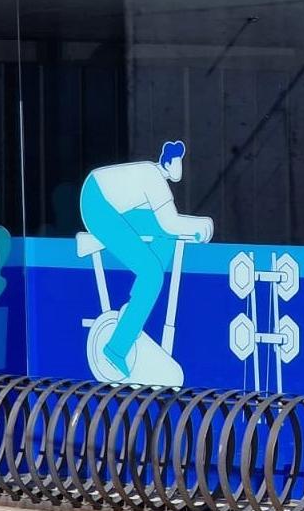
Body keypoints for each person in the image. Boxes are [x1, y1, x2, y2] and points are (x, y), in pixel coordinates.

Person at [79, 141, 213, 379]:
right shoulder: (155, 179)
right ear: (168, 163)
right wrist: (199, 225)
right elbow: (170, 222)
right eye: (177, 162)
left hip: (110, 204)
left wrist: (193, 228)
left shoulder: (154, 176)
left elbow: (167, 226)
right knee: (152, 275)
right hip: (98, 205)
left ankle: (135, 307)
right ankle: (116, 348)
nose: (180, 168)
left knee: (166, 239)